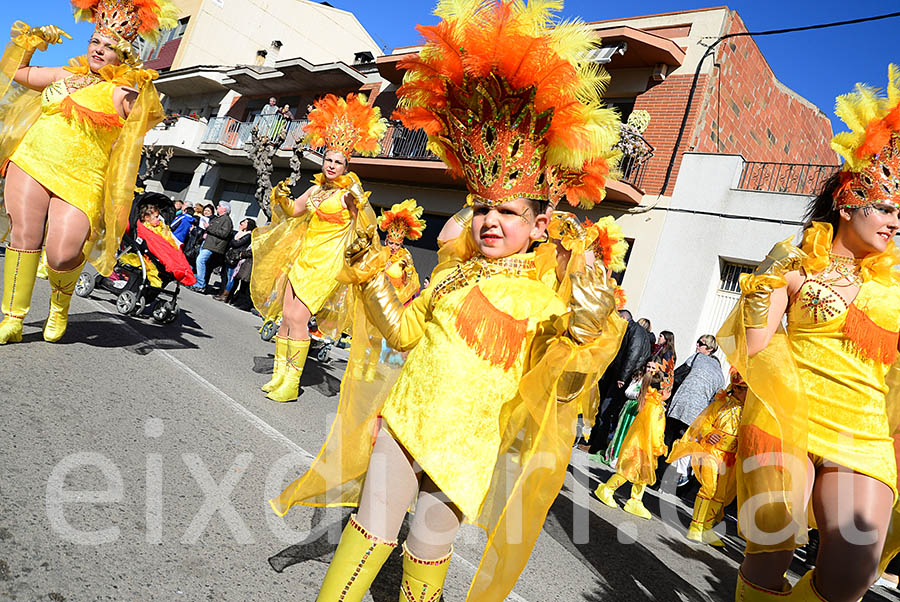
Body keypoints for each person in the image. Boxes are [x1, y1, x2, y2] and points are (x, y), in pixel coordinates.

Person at [268, 2, 624, 600]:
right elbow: (405, 334)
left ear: (538, 226)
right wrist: (372, 277)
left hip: (470, 444)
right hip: (407, 420)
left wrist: (587, 330)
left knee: (425, 559)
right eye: (481, 207)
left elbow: (558, 390)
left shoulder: (545, 301)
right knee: (370, 530)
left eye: (507, 211)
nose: (489, 220)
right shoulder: (450, 277)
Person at [719, 66, 900, 600]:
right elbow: (755, 348)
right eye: (886, 208)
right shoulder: (795, 260)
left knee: (851, 574)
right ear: (848, 205)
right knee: (773, 537)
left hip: (862, 428)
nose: (895, 222)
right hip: (786, 412)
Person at [0, 0, 170, 343]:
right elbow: (15, 73)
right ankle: (13, 318)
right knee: (24, 236)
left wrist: (137, 72)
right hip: (32, 160)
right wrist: (30, 42)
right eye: (95, 41)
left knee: (62, 254)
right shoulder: (65, 74)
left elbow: (148, 116)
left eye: (110, 47)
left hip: (82, 178)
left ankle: (59, 305)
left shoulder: (124, 92)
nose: (98, 50)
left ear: (122, 53)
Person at [251, 92, 386, 402]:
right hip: (301, 258)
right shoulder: (314, 189)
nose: (332, 165)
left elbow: (366, 224)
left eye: (339, 162)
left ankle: (291, 382)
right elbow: (294, 212)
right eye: (329, 159)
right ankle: (279, 375)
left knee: (299, 319)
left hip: (326, 265)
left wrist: (359, 207)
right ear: (323, 159)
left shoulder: (349, 194)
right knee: (285, 316)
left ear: (346, 165)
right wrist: (282, 196)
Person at [667, 370, 746, 546]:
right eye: (740, 388)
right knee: (709, 488)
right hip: (712, 452)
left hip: (731, 458)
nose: (743, 393)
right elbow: (704, 422)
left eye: (746, 389)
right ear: (734, 387)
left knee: (721, 494)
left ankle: (707, 528)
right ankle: (695, 526)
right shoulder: (721, 404)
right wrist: (710, 433)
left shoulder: (749, 412)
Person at [354, 198, 426, 381]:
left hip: (389, 301)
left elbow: (411, 283)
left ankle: (371, 369)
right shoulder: (379, 252)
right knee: (363, 333)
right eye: (391, 243)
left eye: (397, 244)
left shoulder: (405, 257)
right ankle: (356, 365)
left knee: (377, 337)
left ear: (402, 244)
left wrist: (401, 271)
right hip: (371, 297)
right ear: (386, 239)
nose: (393, 247)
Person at [594, 368, 667, 520]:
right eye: (669, 389)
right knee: (628, 471)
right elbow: (653, 429)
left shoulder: (653, 403)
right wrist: (658, 445)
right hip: (642, 445)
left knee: (643, 475)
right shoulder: (654, 406)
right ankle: (607, 489)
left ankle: (636, 500)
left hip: (643, 445)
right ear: (663, 390)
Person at [586, 308, 653, 454]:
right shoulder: (634, 330)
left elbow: (632, 355)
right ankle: (595, 442)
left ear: (623, 318)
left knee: (606, 410)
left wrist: (622, 377)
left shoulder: (635, 331)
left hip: (623, 379)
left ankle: (596, 444)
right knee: (606, 409)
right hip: (621, 377)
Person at [665, 334, 724, 486]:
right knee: (684, 446)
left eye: (701, 343)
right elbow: (716, 400)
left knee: (668, 439)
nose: (697, 345)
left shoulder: (697, 357)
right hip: (697, 414)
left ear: (710, 349)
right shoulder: (720, 375)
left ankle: (657, 474)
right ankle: (671, 481)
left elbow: (677, 376)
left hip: (680, 405)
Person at [191, 200, 232, 292]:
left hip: (213, 245)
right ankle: (199, 282)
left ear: (224, 209)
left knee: (200, 260)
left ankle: (200, 284)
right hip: (207, 242)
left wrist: (208, 228)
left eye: (219, 206)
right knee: (200, 261)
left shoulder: (226, 220)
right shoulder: (218, 218)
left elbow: (224, 233)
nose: (217, 207)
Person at [215, 217, 255, 302]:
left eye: (245, 222)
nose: (242, 223)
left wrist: (235, 240)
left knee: (231, 277)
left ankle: (225, 295)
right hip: (230, 256)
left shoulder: (248, 235)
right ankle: (226, 295)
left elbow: (236, 244)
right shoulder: (240, 233)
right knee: (228, 275)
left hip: (236, 258)